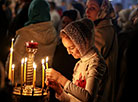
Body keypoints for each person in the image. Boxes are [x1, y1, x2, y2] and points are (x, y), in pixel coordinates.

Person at [46, 18, 107, 102]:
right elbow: (74, 99)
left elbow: (88, 98)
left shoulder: (96, 63)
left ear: (82, 43)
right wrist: (59, 90)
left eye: (71, 48)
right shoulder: (80, 63)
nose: (69, 52)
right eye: (67, 48)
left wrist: (60, 78)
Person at [5, 0, 57, 87]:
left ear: (32, 12)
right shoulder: (53, 33)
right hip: (43, 84)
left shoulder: (25, 34)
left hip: (23, 84)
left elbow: (13, 61)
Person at [85, 0, 118, 102]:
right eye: (87, 7)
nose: (87, 11)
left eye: (92, 8)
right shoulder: (99, 28)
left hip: (99, 87)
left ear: (103, 10)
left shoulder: (103, 32)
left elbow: (91, 57)